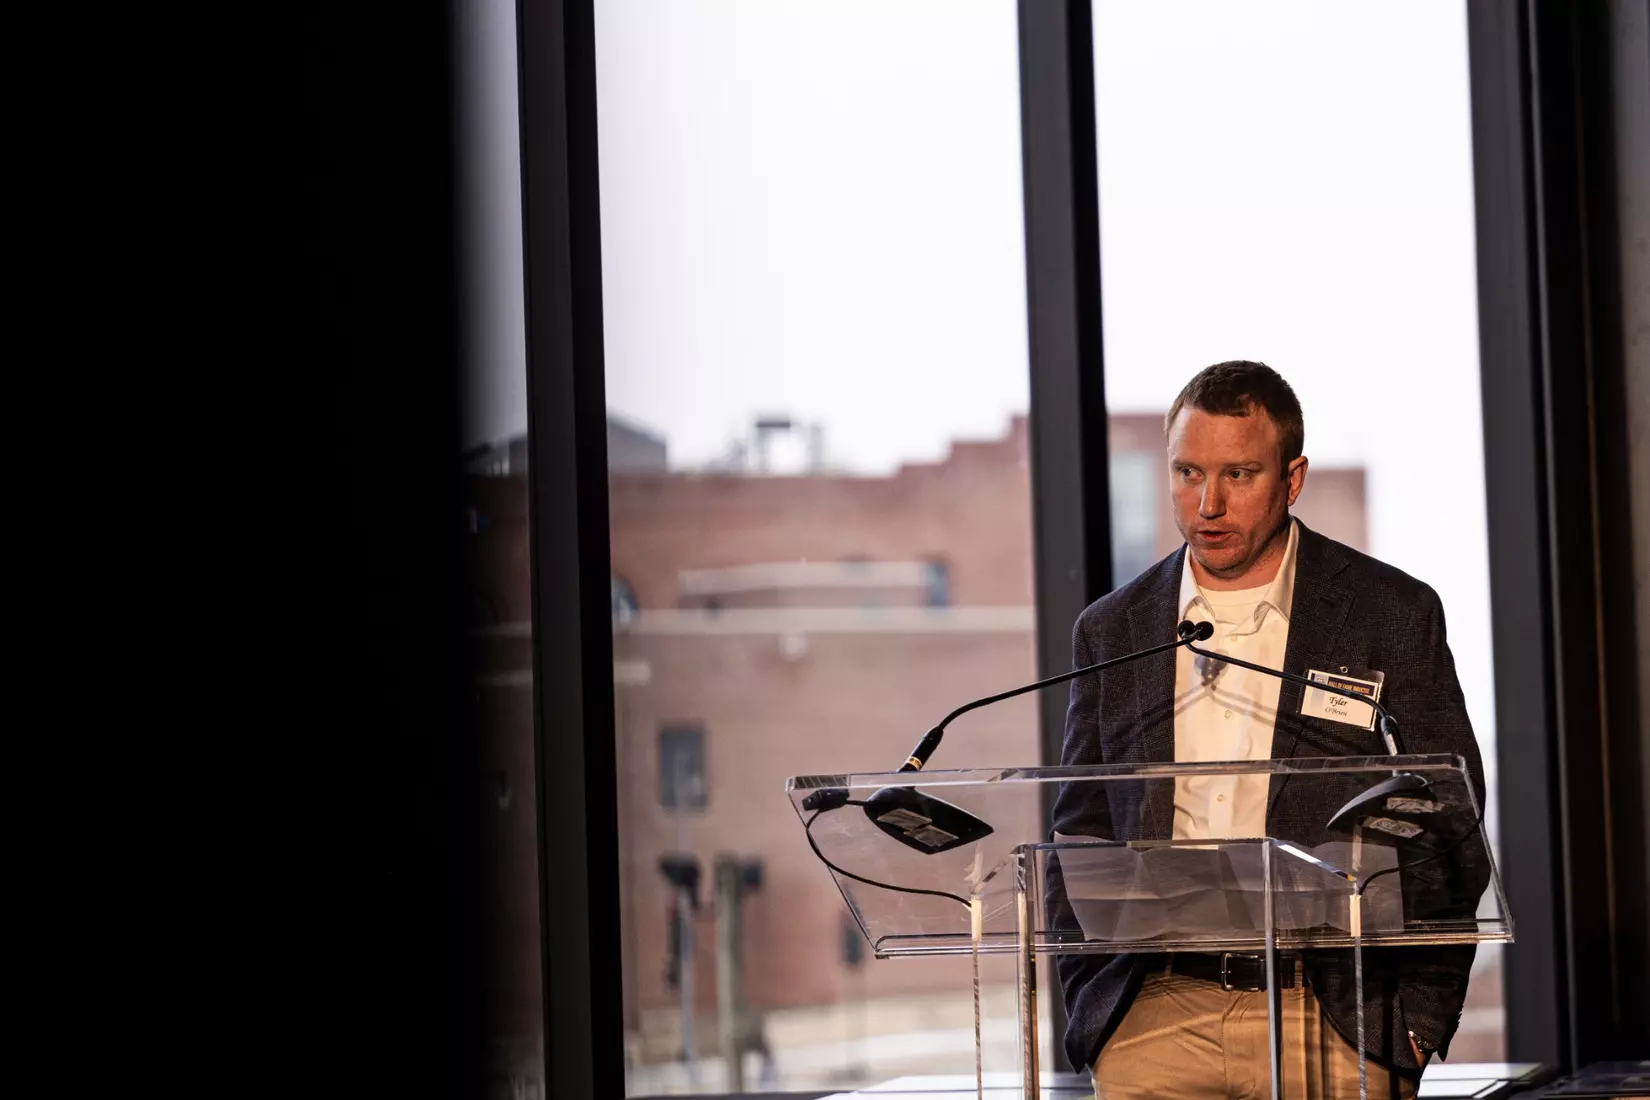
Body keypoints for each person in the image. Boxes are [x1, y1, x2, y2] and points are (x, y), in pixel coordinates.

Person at [1051, 361, 1490, 1099]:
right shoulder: (1113, 629)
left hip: (1332, 1013)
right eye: (1188, 472)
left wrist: (1416, 1021)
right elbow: (1080, 831)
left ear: (1293, 479)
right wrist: (1097, 1013)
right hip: (1153, 1019)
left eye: (1238, 474)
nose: (1208, 503)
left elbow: (1449, 821)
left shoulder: (1390, 614)